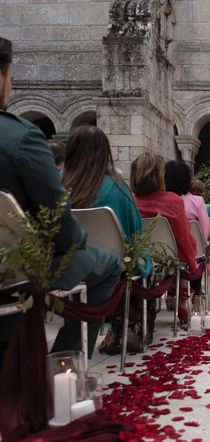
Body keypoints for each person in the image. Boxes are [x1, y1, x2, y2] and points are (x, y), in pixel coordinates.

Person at [0, 36, 121, 363]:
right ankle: (62, 366)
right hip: (16, 267)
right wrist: (78, 238)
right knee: (109, 265)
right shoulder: (21, 137)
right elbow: (59, 220)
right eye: (10, 77)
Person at [62, 125, 152, 353]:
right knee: (129, 263)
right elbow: (136, 233)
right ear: (105, 154)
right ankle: (122, 327)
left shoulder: (57, 186)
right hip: (107, 271)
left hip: (62, 266)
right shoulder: (118, 190)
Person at [130, 153, 197, 323]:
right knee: (182, 251)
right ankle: (181, 302)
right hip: (168, 257)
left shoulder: (132, 201)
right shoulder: (173, 200)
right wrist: (192, 260)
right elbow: (183, 235)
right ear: (159, 177)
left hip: (140, 257)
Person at [165, 160, 210, 298]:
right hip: (191, 253)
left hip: (163, 254)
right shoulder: (197, 201)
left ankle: (172, 291)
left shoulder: (161, 202)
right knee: (199, 250)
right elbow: (205, 232)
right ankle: (196, 292)